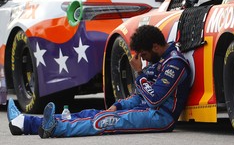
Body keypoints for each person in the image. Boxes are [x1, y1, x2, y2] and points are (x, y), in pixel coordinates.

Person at [7, 25, 192, 138]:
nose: (143, 59)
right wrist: (119, 105)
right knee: (92, 112)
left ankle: (55, 129)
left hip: (160, 117)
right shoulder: (159, 60)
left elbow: (155, 99)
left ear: (155, 46)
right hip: (146, 110)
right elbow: (141, 97)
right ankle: (25, 123)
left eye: (144, 55)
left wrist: (139, 73)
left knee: (102, 120)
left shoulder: (175, 64)